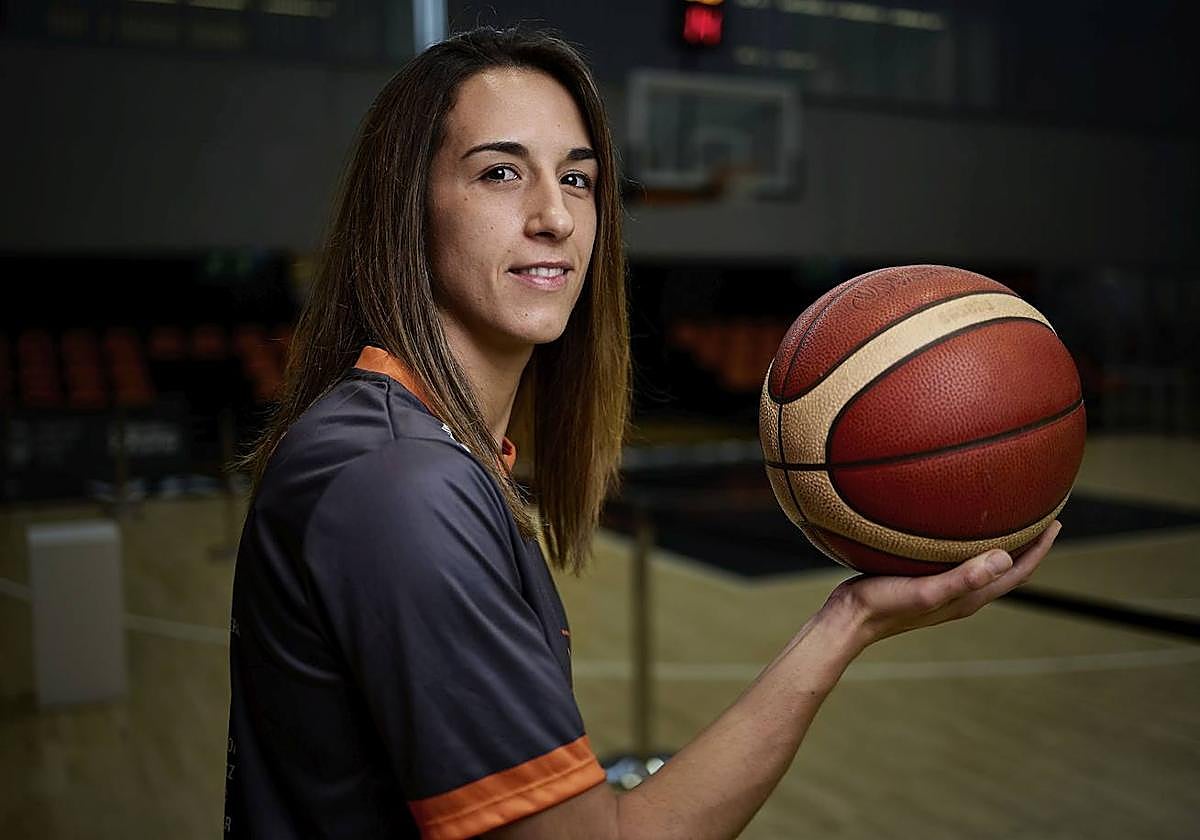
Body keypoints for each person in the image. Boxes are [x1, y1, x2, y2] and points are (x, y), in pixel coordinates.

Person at [223, 26, 1061, 840]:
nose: (554, 216)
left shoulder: (407, 447)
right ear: (406, 207)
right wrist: (848, 626)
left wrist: (851, 619)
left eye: (577, 179)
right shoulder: (399, 483)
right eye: (501, 172)